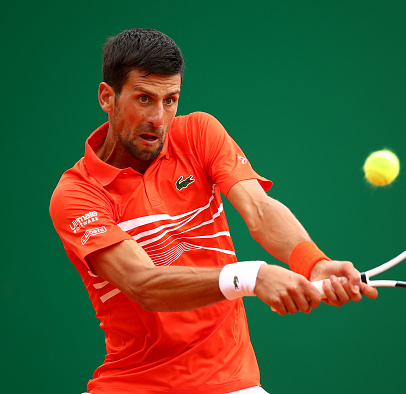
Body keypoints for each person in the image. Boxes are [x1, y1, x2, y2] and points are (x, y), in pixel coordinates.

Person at [49, 28, 377, 394]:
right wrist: (250, 277)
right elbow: (142, 283)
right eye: (144, 99)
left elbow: (259, 209)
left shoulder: (199, 133)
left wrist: (312, 262)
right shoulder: (77, 194)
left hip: (229, 382)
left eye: (171, 100)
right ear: (107, 97)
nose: (159, 118)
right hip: (132, 384)